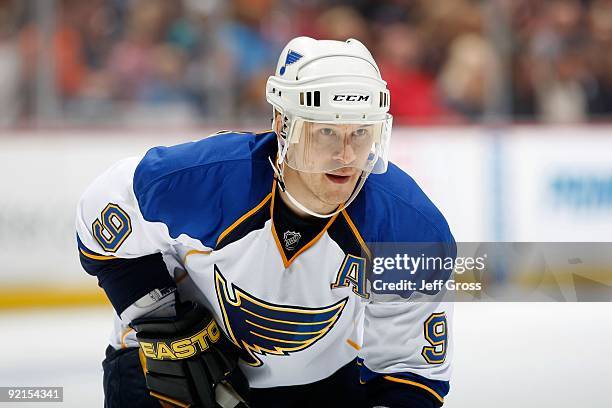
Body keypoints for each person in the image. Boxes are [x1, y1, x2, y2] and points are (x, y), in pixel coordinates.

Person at [76, 36, 455, 408]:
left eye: (361, 132)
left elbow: (409, 371)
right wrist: (161, 317)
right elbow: (99, 213)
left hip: (318, 386)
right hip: (164, 375)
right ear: (282, 123)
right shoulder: (203, 180)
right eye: (326, 131)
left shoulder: (409, 228)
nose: (346, 154)